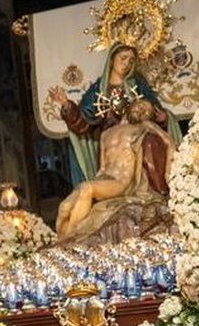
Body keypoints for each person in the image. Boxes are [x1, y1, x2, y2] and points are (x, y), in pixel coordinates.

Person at [50, 43, 180, 186]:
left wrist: (160, 116)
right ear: (112, 59)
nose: (126, 64)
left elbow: (155, 111)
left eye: (131, 61)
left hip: (140, 134)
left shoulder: (138, 84)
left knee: (149, 142)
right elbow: (83, 123)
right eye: (123, 58)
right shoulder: (98, 90)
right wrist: (66, 105)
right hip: (112, 139)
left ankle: (157, 191)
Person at [55, 97, 177, 238]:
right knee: (64, 207)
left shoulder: (144, 127)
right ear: (129, 107)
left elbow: (169, 143)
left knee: (87, 189)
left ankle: (70, 239)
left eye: (146, 111)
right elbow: (102, 166)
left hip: (121, 182)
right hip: (104, 178)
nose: (141, 109)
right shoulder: (106, 134)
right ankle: (60, 238)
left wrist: (169, 175)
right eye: (139, 105)